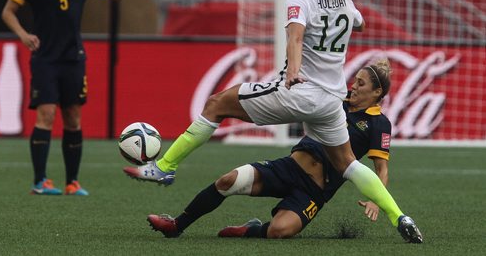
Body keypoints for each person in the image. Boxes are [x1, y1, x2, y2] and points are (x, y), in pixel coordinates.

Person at [123, 0, 421, 239]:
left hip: (301, 93)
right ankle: (400, 217)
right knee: (348, 164)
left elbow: (294, 38)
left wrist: (293, 70)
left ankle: (164, 166)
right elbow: (359, 24)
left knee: (216, 104)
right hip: (332, 102)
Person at [146, 60, 422, 243]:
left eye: (362, 84)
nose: (354, 86)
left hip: (314, 192)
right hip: (288, 168)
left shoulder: (378, 123)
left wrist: (377, 201)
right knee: (226, 181)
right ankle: (177, 224)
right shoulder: (333, 102)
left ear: (377, 94)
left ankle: (250, 229)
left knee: (279, 231)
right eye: (355, 80)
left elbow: (381, 169)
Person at [1, 0, 134, 196]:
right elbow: (8, 12)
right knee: (46, 114)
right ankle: (40, 181)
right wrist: (24, 35)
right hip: (45, 58)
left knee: (73, 118)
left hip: (73, 58)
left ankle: (73, 182)